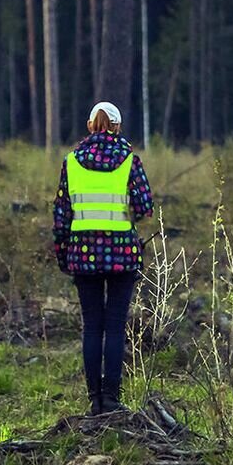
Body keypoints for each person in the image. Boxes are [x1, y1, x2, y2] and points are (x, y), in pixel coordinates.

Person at [53, 102, 154, 415]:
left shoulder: (71, 162)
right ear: (117, 127)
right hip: (122, 255)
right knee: (115, 326)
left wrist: (63, 255)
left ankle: (93, 399)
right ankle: (111, 397)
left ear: (89, 125)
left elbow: (61, 216)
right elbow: (144, 207)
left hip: (82, 256)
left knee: (92, 327)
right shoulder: (129, 160)